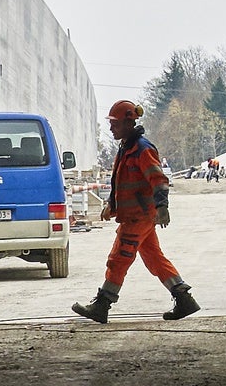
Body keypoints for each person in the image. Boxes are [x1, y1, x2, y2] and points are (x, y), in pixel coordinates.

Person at [73, 99, 199, 323]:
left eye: (115, 124)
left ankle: (103, 305)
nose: (111, 128)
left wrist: (162, 207)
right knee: (154, 258)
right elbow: (121, 182)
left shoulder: (142, 149)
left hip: (139, 217)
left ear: (128, 122)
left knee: (118, 259)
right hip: (137, 215)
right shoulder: (126, 148)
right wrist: (111, 205)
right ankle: (183, 298)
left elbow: (158, 179)